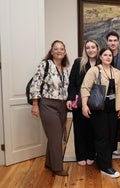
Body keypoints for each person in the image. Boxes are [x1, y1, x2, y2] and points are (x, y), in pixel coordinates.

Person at [80, 47, 120, 178]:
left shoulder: (117, 72)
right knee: (102, 137)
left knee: (111, 137)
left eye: (110, 55)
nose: (108, 57)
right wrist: (84, 106)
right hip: (99, 109)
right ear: (100, 57)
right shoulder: (94, 70)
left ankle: (104, 161)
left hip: (113, 109)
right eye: (105, 55)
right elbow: (85, 88)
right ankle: (105, 167)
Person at [30, 40, 70, 176]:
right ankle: (57, 167)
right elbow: (35, 84)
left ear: (65, 52)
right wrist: (35, 105)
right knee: (56, 136)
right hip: (48, 104)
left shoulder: (65, 68)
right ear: (51, 51)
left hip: (62, 106)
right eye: (56, 49)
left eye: (62, 49)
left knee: (54, 136)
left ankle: (49, 162)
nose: (59, 51)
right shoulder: (45, 65)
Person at [66, 40, 99, 166]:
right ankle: (81, 155)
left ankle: (91, 154)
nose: (90, 50)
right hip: (79, 101)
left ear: (97, 48)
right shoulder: (78, 62)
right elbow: (72, 82)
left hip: (95, 102)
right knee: (80, 129)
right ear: (85, 50)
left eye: (93, 47)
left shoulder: (101, 62)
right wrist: (70, 98)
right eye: (88, 48)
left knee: (92, 129)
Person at [106, 31, 120, 156]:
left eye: (115, 40)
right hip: (105, 95)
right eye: (110, 40)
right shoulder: (102, 56)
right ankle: (104, 147)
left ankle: (113, 147)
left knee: (116, 123)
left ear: (118, 42)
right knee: (104, 123)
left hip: (118, 94)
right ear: (107, 42)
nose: (113, 43)